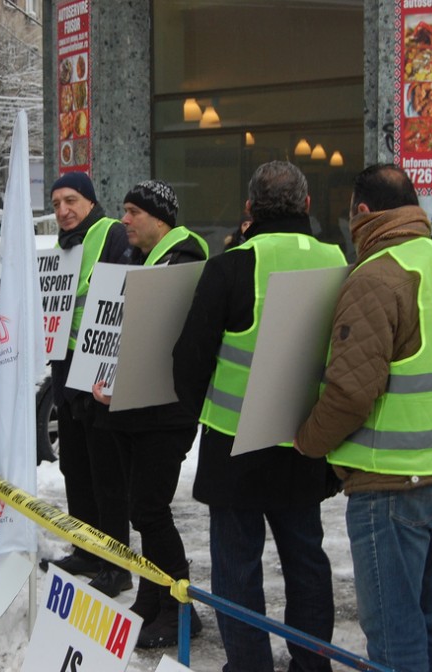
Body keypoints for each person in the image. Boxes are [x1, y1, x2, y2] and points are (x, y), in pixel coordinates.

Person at [295, 164, 432, 672]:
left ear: (362, 212)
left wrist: (307, 442)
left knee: (396, 633)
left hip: (396, 484)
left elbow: (351, 393)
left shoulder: (377, 276)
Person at [173, 161, 344, 672]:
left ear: (249, 210)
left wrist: (185, 423)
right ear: (307, 206)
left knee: (237, 566)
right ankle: (312, 664)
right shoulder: (338, 259)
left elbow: (191, 358)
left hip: (235, 447)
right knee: (306, 558)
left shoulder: (230, 267)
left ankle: (248, 666)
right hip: (304, 439)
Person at [91, 180, 208, 648]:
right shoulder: (145, 260)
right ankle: (151, 595)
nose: (125, 220)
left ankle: (180, 605)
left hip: (164, 412)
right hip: (134, 409)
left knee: (149, 508)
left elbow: (164, 344)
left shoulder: (183, 260)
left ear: (160, 218)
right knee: (143, 510)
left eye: (133, 211)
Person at [38, 171, 133, 598]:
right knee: (74, 465)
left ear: (91, 201)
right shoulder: (64, 246)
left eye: (71, 200)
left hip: (99, 366)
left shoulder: (111, 234)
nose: (63, 211)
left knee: (105, 471)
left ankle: (116, 562)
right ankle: (86, 549)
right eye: (57, 204)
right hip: (66, 366)